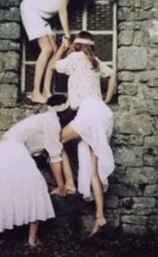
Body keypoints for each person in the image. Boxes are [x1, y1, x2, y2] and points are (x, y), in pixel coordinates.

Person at [20, 0, 118, 104]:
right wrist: (67, 35)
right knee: (46, 49)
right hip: (31, 10)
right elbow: (62, 9)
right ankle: (35, 93)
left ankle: (47, 92)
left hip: (42, 16)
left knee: (53, 48)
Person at [0, 95, 76, 248]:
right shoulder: (52, 122)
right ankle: (32, 239)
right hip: (13, 149)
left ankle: (25, 237)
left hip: (1, 150)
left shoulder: (44, 118)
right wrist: (60, 184)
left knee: (15, 190)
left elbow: (44, 151)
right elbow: (55, 156)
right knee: (36, 189)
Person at [50, 31, 116, 236]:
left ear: (77, 46)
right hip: (104, 114)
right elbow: (113, 73)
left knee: (56, 140)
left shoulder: (76, 57)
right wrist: (107, 98)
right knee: (94, 170)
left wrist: (62, 48)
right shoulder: (95, 61)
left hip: (88, 112)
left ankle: (68, 183)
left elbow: (53, 65)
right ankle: (100, 217)